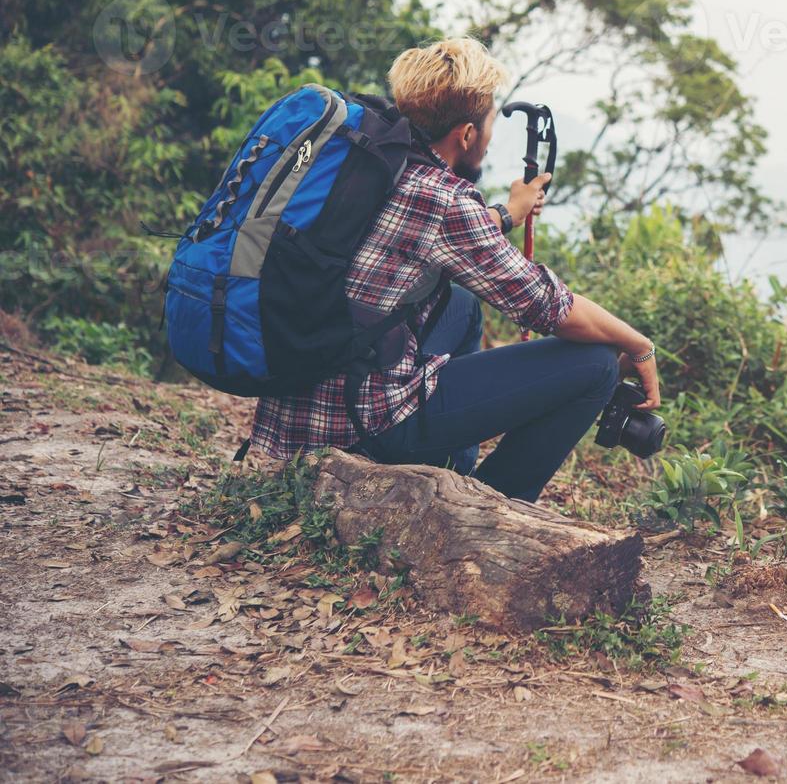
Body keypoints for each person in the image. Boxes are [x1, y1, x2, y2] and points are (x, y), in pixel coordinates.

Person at [248, 37, 660, 502]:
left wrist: (510, 212)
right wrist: (638, 346)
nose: (487, 140)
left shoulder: (374, 161)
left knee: (461, 306)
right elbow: (548, 306)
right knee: (595, 363)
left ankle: (450, 472)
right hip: (363, 423)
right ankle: (493, 505)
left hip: (298, 393)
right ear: (466, 135)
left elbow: (431, 233)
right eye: (486, 128)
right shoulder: (444, 199)